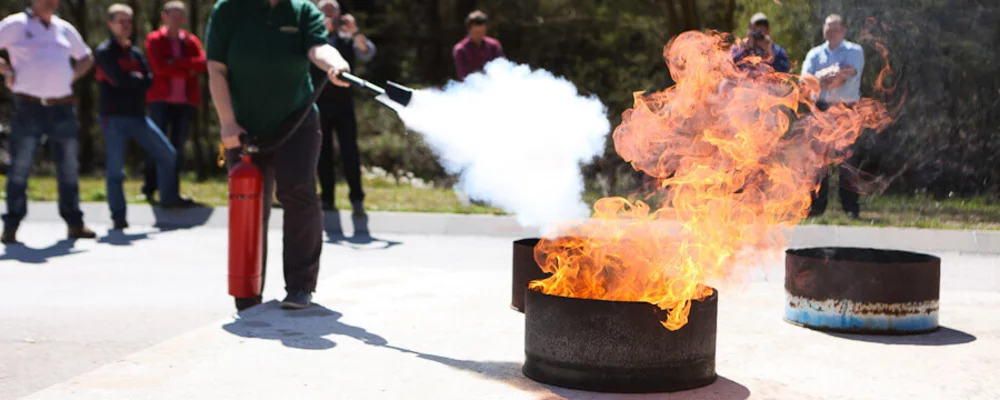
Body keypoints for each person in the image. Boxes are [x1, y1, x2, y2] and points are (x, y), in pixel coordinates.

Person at [206, 0, 351, 310]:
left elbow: (318, 48)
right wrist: (227, 121)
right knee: (249, 203)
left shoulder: (302, 11)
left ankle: (300, 287)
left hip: (296, 120)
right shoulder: (228, 10)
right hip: (243, 125)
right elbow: (216, 69)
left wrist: (335, 63)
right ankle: (247, 292)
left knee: (298, 191)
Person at [0, 0, 97, 244]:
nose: (51, 2)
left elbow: (86, 57)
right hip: (28, 107)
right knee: (19, 168)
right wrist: (6, 70)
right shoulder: (16, 24)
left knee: (68, 168)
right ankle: (11, 225)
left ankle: (75, 223)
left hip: (62, 107)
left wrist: (71, 75)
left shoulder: (63, 28)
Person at [96, 4, 197, 230]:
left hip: (139, 117)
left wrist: (134, 79)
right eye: (120, 21)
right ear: (110, 24)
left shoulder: (135, 53)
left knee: (168, 154)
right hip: (113, 119)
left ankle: (168, 198)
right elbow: (120, 80)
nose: (126, 26)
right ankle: (118, 216)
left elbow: (149, 80)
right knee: (115, 170)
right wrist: (136, 79)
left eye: (129, 21)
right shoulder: (104, 52)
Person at [309, 0, 376, 214]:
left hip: (344, 105)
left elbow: (367, 52)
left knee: (350, 152)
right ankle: (327, 198)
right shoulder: (312, 39)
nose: (329, 17)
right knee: (323, 153)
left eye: (332, 13)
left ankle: (357, 199)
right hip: (319, 104)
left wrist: (355, 31)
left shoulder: (348, 38)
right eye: (325, 13)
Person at [801, 14, 866, 218]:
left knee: (847, 162)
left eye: (836, 28)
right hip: (821, 110)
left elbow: (845, 76)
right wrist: (830, 75)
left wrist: (820, 78)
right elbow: (805, 81)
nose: (832, 32)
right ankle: (816, 208)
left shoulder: (854, 51)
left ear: (843, 30)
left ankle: (851, 208)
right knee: (818, 161)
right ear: (824, 30)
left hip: (846, 111)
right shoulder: (814, 54)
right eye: (828, 28)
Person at [142, 1, 206, 203]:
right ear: (164, 16)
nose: (177, 19)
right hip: (160, 100)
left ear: (184, 18)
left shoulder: (190, 41)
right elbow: (159, 67)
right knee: (157, 145)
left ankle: (171, 191)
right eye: (173, 15)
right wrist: (187, 68)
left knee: (177, 148)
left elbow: (203, 64)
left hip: (185, 102)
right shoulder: (155, 39)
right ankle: (149, 187)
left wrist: (175, 63)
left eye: (180, 15)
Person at [452, 10, 504, 81]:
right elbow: (463, 76)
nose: (480, 35)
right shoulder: (460, 49)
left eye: (482, 32)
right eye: (477, 32)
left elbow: (502, 66)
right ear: (469, 30)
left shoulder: (494, 45)